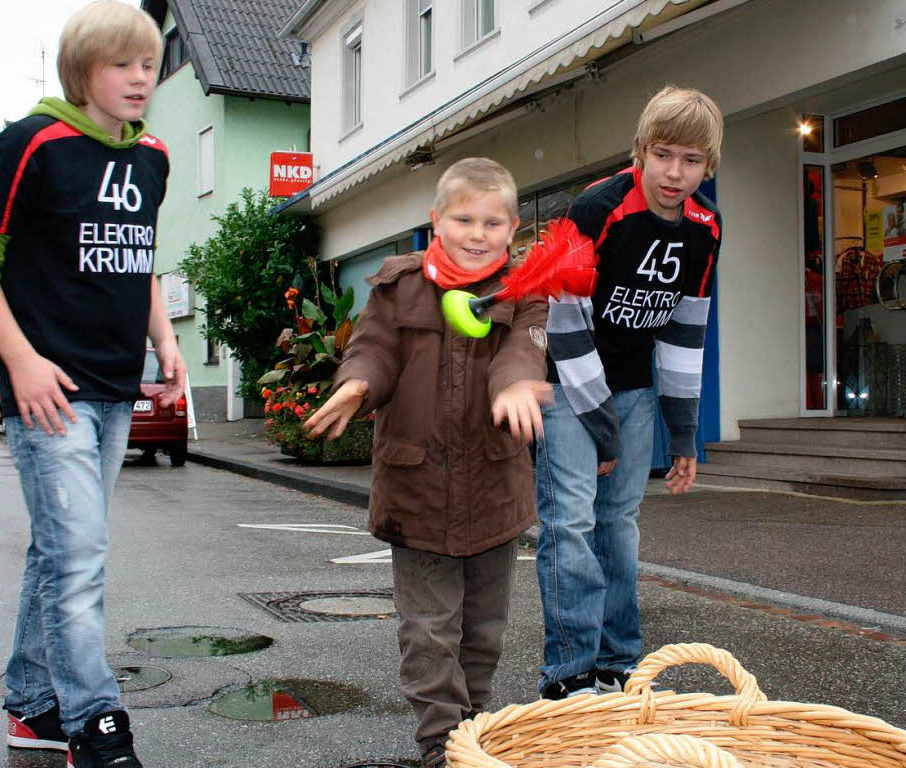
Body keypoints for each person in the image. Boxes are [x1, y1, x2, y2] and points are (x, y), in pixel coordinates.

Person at [0, 3, 182, 765]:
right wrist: (17, 359)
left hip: (116, 386)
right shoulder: (30, 146)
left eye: (148, 63)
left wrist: (166, 342)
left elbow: (139, 260)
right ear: (83, 73)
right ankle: (94, 722)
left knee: (60, 553)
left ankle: (32, 703)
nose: (141, 77)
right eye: (122, 65)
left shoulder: (153, 157)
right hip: (49, 389)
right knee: (80, 556)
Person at [304, 158, 550, 768]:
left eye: (492, 222)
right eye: (463, 218)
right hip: (417, 493)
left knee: (484, 632)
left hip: (494, 489)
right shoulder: (398, 285)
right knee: (428, 631)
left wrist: (517, 383)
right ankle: (440, 745)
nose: (476, 233)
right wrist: (357, 384)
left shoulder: (523, 291)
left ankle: (475, 729)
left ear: (513, 228)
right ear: (436, 220)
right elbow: (374, 349)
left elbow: (524, 348)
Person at [535, 86, 724, 699]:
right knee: (569, 522)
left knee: (618, 522)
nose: (675, 173)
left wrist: (685, 432)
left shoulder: (705, 228)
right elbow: (565, 322)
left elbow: (684, 329)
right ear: (641, 150)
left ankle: (619, 663)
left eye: (692, 160)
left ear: (709, 164)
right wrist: (600, 427)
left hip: (636, 390)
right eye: (664, 154)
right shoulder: (595, 209)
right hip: (569, 384)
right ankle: (568, 674)